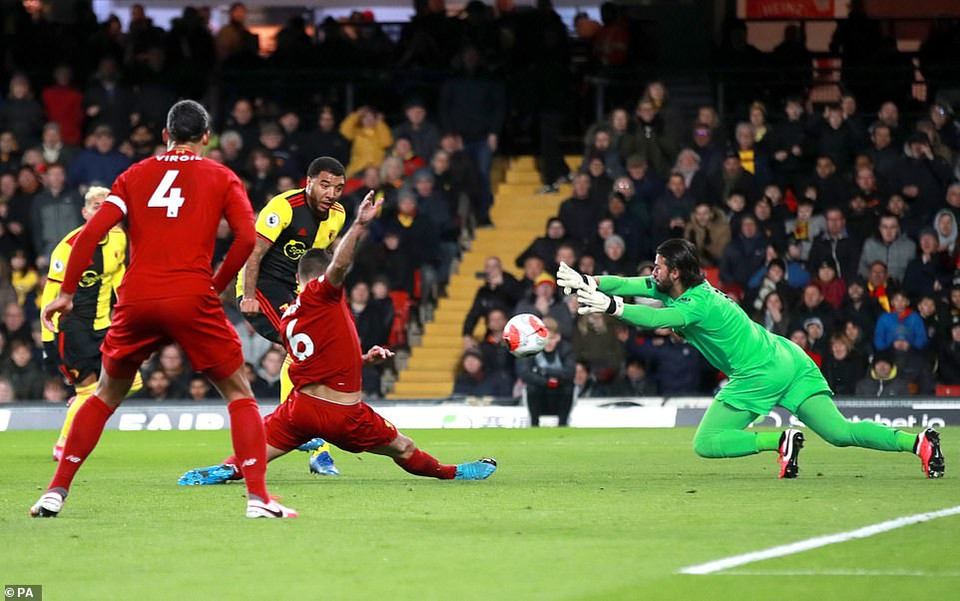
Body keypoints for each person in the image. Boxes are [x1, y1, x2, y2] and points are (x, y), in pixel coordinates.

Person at [32, 100, 296, 519]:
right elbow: (246, 238)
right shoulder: (221, 176)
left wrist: (65, 292)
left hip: (137, 298)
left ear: (164, 135)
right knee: (239, 395)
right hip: (192, 296)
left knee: (102, 396)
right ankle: (258, 498)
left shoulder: (134, 175)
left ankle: (54, 492)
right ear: (206, 137)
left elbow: (90, 233)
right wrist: (216, 283)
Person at [558, 238, 944, 479]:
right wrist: (588, 282)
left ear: (674, 272)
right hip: (787, 357)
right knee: (840, 433)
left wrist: (612, 308)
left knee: (706, 443)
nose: (652, 271)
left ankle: (779, 441)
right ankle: (918, 444)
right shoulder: (688, 286)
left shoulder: (695, 304)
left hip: (758, 372)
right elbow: (628, 282)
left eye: (658, 266)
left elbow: (658, 318)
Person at [179, 193, 496, 486]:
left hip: (299, 410)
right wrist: (358, 225)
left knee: (254, 454)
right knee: (403, 448)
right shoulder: (321, 295)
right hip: (343, 415)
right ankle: (453, 473)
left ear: (296, 278)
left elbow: (319, 359)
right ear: (320, 276)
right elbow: (340, 264)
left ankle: (220, 471)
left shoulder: (287, 315)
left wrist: (360, 360)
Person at [236, 156, 351, 475]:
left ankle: (318, 450)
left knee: (318, 353)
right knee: (302, 346)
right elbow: (253, 253)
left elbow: (320, 258)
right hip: (260, 288)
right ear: (309, 182)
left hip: (294, 288)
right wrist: (247, 296)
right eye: (325, 185)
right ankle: (296, 427)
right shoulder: (283, 207)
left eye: (338, 188)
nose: (332, 193)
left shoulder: (338, 216)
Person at [41, 185, 144, 461]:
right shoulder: (67, 248)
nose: (103, 211)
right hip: (73, 328)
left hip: (105, 325)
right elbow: (50, 297)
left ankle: (81, 405)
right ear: (85, 212)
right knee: (88, 390)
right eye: (97, 206)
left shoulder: (119, 238)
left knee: (134, 382)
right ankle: (62, 444)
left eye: (108, 206)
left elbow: (119, 272)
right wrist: (47, 340)